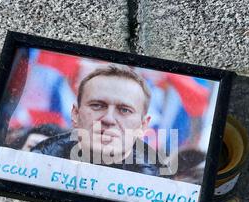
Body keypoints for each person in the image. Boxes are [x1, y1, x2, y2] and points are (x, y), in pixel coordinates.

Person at [32, 65, 169, 176]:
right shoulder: (35, 163)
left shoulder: (162, 185)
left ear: (143, 126)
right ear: (75, 114)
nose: (109, 119)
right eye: (97, 106)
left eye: (124, 110)